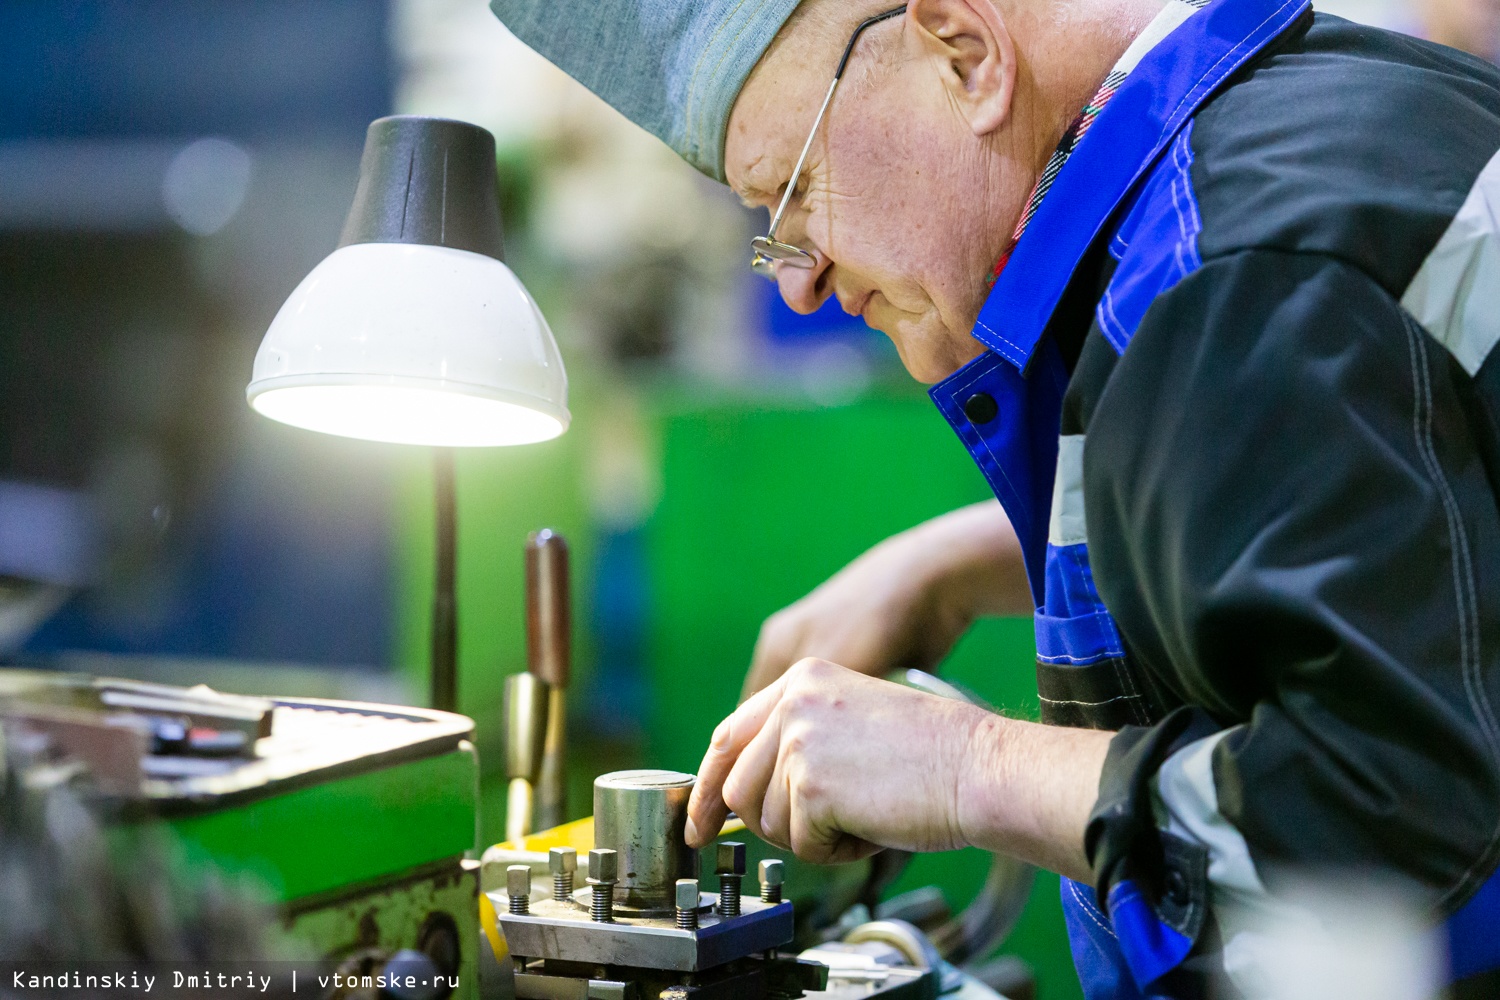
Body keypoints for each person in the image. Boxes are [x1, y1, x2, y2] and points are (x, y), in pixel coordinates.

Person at [490, 0, 1500, 995]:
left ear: (964, 53)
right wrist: (953, 566)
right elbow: (1412, 517)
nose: (797, 281)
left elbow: (1379, 824)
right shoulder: (1325, 114)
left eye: (794, 191)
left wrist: (963, 767)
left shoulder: (1229, 271)